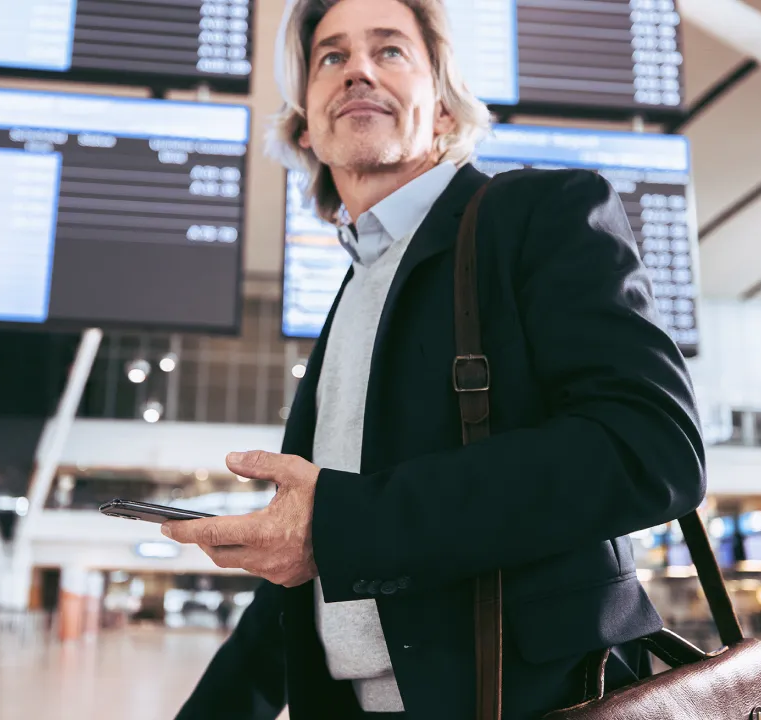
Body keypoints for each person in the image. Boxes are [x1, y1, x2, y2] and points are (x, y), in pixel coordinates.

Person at [163, 1, 706, 718]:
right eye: (331, 57)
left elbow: (651, 449)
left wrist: (338, 523)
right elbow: (308, 586)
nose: (357, 68)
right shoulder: (354, 296)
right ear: (306, 130)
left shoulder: (537, 216)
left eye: (390, 51)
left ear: (445, 112)